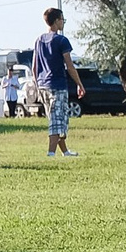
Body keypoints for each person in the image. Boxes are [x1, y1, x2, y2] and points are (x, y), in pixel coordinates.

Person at [31, 9, 87, 158]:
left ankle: (65, 151)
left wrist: (37, 84)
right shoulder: (61, 40)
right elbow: (69, 66)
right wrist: (79, 84)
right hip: (57, 85)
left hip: (43, 85)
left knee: (56, 117)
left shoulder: (39, 40)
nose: (63, 22)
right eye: (62, 19)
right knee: (57, 121)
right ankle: (51, 153)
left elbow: (34, 66)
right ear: (56, 21)